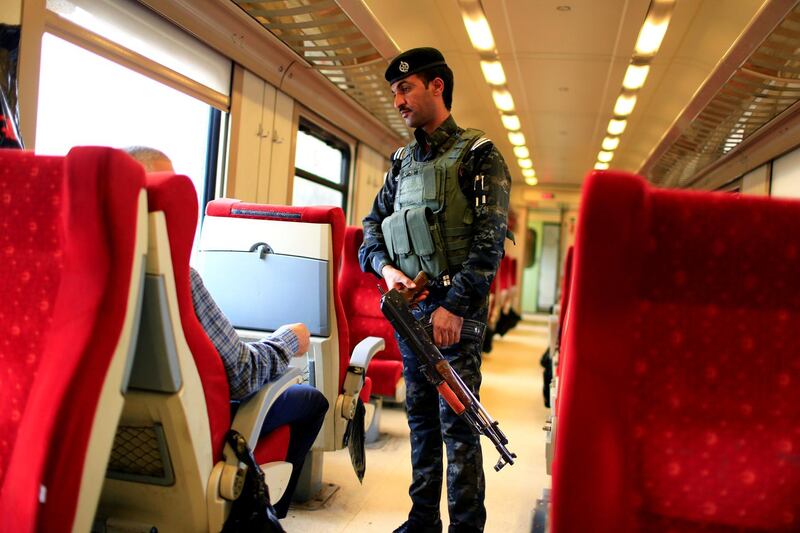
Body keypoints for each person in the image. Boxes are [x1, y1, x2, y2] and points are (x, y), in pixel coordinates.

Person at [125, 146, 328, 519]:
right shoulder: (179, 277)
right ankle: (261, 514)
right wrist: (288, 338)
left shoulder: (73, 274)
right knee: (311, 398)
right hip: (195, 428)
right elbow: (241, 375)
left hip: (119, 440)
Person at [358, 48, 511, 533]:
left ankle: (466, 526)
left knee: (459, 429)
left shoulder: (479, 155)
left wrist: (452, 307)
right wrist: (387, 272)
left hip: (454, 317)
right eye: (395, 92)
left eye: (406, 88)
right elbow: (371, 229)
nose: (398, 100)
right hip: (410, 314)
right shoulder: (401, 163)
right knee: (421, 422)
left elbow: (488, 247)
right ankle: (422, 519)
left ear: (437, 87)